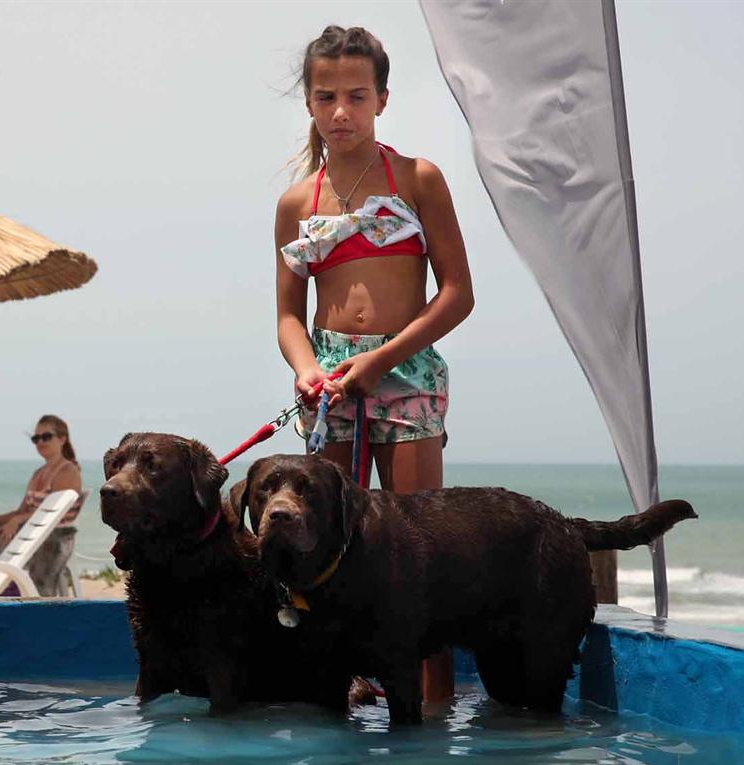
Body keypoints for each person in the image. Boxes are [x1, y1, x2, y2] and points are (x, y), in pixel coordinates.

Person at [273, 26, 475, 702]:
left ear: (382, 99)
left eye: (356, 96)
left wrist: (382, 358)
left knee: (422, 544)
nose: (341, 111)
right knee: (328, 546)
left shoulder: (418, 179)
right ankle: (343, 683)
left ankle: (433, 694)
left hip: (407, 369)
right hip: (330, 383)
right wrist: (307, 369)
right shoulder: (296, 203)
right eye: (326, 96)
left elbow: (456, 294)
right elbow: (288, 317)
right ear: (308, 103)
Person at [0, 415, 83, 595]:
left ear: (62, 439)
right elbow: (21, 512)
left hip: (54, 537)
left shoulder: (68, 471)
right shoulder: (38, 474)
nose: (40, 442)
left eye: (46, 437)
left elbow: (53, 514)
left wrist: (17, 520)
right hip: (31, 535)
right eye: (36, 438)